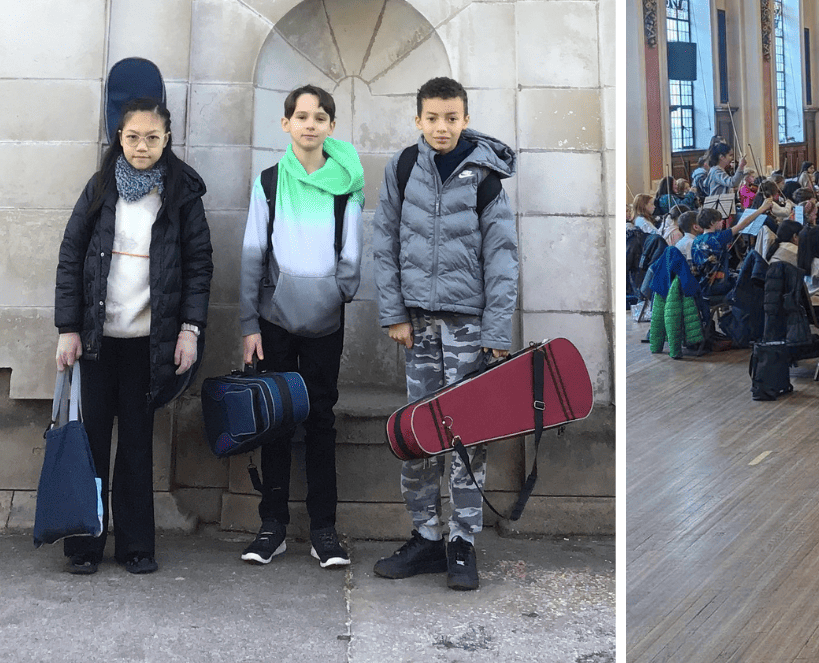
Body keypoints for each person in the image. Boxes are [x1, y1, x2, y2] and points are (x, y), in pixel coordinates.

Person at [55, 97, 213, 576]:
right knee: (93, 442)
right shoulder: (100, 188)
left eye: (152, 137)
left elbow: (199, 267)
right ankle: (85, 543)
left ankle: (136, 546)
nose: (142, 146)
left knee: (138, 447)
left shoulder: (182, 194)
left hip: (149, 343)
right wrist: (67, 328)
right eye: (132, 137)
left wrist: (190, 331)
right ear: (118, 139)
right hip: (98, 341)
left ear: (167, 139)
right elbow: (71, 255)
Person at [372, 77, 518, 592]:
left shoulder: (485, 178)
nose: (441, 127)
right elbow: (384, 241)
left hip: (468, 327)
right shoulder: (403, 168)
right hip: (417, 326)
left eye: (451, 118)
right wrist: (394, 313)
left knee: (465, 435)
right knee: (419, 434)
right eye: (432, 118)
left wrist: (497, 329)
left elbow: (502, 257)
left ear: (465, 117)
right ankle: (426, 537)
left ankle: (462, 543)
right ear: (418, 119)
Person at [238, 85, 365, 570]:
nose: (310, 124)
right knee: (274, 419)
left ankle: (324, 531)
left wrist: (336, 294)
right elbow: (254, 252)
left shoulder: (347, 182)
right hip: (273, 322)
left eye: (320, 117)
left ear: (331, 126)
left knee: (320, 420)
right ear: (286, 123)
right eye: (301, 116)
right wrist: (250, 322)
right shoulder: (270, 182)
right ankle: (271, 527)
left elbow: (352, 253)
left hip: (325, 322)